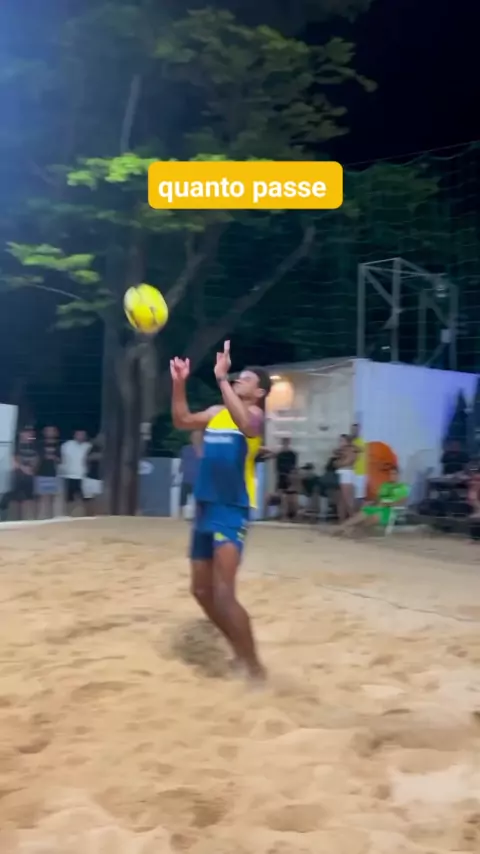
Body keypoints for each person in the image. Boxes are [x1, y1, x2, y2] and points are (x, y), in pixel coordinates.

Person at [170, 340, 271, 681]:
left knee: (225, 593)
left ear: (259, 393)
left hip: (231, 508)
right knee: (201, 591)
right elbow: (182, 420)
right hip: (204, 506)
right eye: (238, 377)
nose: (240, 379)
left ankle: (254, 669)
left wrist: (222, 378)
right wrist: (179, 383)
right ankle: (239, 652)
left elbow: (246, 425)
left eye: (247, 379)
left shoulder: (254, 416)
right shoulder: (216, 413)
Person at [336, 466, 409, 536]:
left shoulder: (403, 487)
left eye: (394, 474)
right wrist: (371, 503)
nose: (392, 476)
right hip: (378, 507)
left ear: (398, 475)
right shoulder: (385, 485)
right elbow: (377, 499)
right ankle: (342, 527)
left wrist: (389, 503)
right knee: (364, 512)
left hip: (389, 510)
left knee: (372, 515)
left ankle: (351, 529)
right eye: (390, 474)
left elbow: (403, 501)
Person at [61, 430, 90, 515]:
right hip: (69, 475)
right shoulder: (66, 445)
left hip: (84, 476)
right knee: (69, 498)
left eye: (82, 434)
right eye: (78, 434)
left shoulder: (88, 446)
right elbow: (63, 459)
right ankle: (68, 514)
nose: (80, 436)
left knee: (85, 498)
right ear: (74, 435)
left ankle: (84, 516)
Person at [11, 426, 37, 520]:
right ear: (21, 434)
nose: (31, 435)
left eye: (32, 433)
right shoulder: (15, 446)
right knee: (15, 500)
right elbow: (13, 461)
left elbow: (35, 460)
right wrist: (24, 468)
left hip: (29, 478)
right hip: (16, 477)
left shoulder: (33, 447)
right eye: (28, 433)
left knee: (28, 499)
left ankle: (27, 520)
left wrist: (32, 468)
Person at [36, 425, 60, 518]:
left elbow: (61, 459)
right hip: (41, 473)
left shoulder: (58, 445)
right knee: (41, 497)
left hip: (54, 473)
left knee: (52, 497)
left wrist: (55, 458)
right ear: (44, 432)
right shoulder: (40, 444)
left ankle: (50, 517)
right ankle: (41, 517)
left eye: (52, 431)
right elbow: (38, 457)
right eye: (48, 431)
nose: (50, 433)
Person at [334, 434, 356, 522]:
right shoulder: (340, 451)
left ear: (347, 442)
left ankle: (353, 520)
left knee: (348, 500)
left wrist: (339, 463)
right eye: (339, 441)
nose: (340, 443)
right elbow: (335, 463)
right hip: (341, 473)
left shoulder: (351, 450)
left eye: (342, 440)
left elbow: (346, 462)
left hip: (346, 474)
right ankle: (342, 521)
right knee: (341, 500)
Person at [179, 431, 202, 514]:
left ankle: (198, 515)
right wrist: (180, 469)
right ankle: (180, 515)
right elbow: (182, 461)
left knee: (199, 500)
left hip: (198, 479)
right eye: (194, 437)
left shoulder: (205, 449)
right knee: (182, 499)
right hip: (186, 478)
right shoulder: (185, 449)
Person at [275, 437, 298, 519]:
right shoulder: (280, 455)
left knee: (291, 497)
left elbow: (293, 466)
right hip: (282, 477)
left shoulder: (292, 454)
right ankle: (284, 514)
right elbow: (277, 468)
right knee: (283, 497)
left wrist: (291, 475)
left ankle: (292, 514)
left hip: (289, 477)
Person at [83, 434, 103, 514]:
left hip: (99, 478)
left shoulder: (105, 450)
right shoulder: (90, 449)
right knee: (87, 498)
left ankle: (95, 515)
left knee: (97, 499)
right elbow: (86, 460)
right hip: (89, 477)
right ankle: (88, 514)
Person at [351, 422, 367, 506]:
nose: (354, 431)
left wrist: (351, 445)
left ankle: (360, 512)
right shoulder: (351, 441)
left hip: (360, 472)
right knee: (352, 495)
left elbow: (360, 449)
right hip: (351, 471)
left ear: (359, 430)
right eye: (353, 430)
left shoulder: (361, 441)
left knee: (360, 495)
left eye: (356, 430)